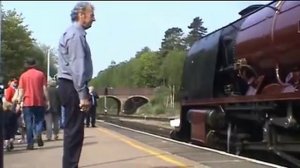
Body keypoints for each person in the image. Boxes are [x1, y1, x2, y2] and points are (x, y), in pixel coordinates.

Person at [57, 2, 95, 168]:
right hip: (72, 85)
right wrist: (82, 94)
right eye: (91, 15)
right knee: (74, 133)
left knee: (73, 132)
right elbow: (77, 66)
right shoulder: (76, 35)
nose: (94, 19)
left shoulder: (72, 33)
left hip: (69, 85)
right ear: (81, 14)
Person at [16, 58, 49, 150]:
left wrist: (19, 101)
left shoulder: (23, 76)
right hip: (39, 101)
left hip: (27, 102)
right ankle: (38, 133)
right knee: (39, 120)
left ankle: (30, 144)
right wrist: (47, 100)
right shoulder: (41, 74)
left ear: (27, 65)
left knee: (28, 123)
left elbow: (21, 90)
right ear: (35, 64)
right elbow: (44, 89)